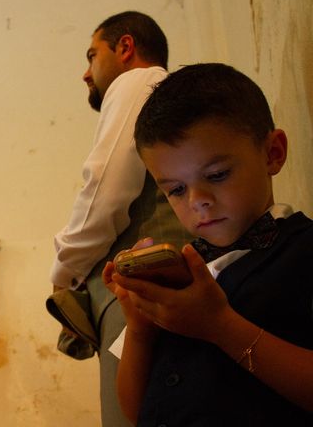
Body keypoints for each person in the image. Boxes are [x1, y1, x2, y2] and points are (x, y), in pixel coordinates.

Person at [104, 63, 313, 425]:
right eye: (176, 189)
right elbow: (138, 412)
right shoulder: (179, 274)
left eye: (217, 175)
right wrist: (139, 326)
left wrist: (220, 326)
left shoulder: (304, 251)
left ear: (272, 154)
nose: (197, 200)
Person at [48, 11, 189, 426]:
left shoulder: (137, 81)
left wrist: (63, 270)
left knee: (133, 416)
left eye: (92, 56)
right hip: (153, 284)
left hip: (141, 283)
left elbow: (106, 188)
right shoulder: (162, 91)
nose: (85, 74)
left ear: (125, 48)